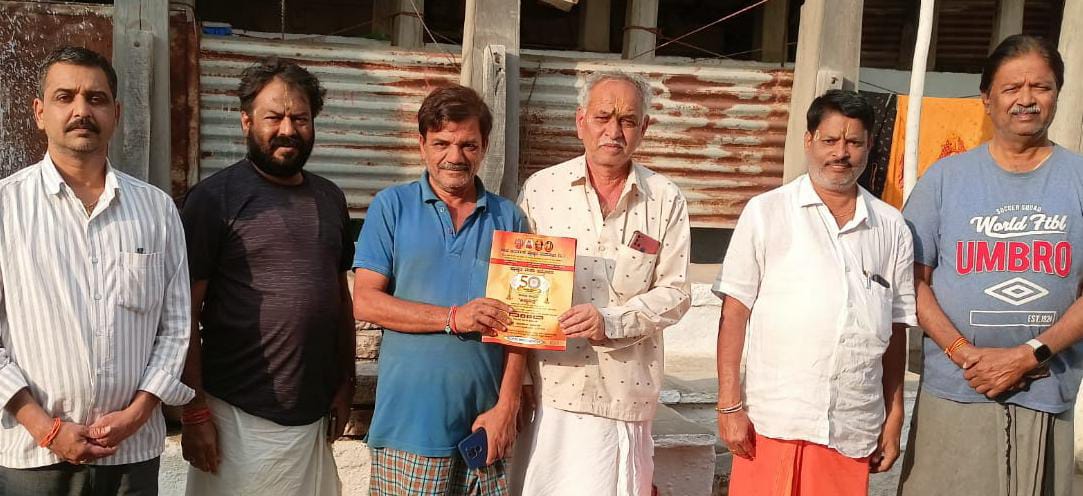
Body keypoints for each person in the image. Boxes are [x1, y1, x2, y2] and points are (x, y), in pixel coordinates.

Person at [0, 46, 192, 494]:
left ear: (116, 113)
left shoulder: (156, 210)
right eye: (65, 97)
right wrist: (45, 427)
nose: (81, 110)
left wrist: (138, 414)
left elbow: (177, 326)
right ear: (40, 112)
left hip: (130, 454)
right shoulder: (7, 207)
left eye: (96, 98)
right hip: (32, 456)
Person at [898, 34, 1083, 496]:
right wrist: (964, 352)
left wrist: (1030, 354)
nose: (1027, 99)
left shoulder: (1079, 178)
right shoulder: (945, 179)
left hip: (1046, 385)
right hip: (958, 386)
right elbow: (913, 280)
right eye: (1012, 88)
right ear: (986, 98)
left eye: (1040, 87)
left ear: (1057, 93)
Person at [714, 89, 916, 495]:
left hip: (851, 426)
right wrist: (729, 404)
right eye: (830, 140)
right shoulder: (767, 212)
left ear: (869, 147)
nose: (841, 153)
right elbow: (734, 313)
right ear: (809, 141)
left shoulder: (891, 226)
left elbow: (896, 331)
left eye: (853, 142)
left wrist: (893, 417)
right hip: (773, 423)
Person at [179, 58, 354, 495]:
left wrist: (345, 382)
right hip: (236, 420)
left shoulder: (330, 198)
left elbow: (340, 301)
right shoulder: (213, 199)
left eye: (301, 119)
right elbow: (182, 313)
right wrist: (194, 411)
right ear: (246, 121)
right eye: (274, 117)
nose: (288, 130)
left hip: (311, 421)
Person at [512, 71, 692, 496]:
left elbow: (676, 292)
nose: (614, 131)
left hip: (624, 394)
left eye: (627, 120)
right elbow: (519, 287)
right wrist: (519, 381)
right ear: (581, 122)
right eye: (603, 117)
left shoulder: (665, 197)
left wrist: (609, 321)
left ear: (644, 128)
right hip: (551, 390)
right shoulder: (542, 190)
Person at [352, 84, 527, 495]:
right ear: (422, 145)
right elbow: (366, 302)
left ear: (484, 147)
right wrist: (454, 318)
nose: (455, 156)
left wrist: (508, 406)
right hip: (409, 425)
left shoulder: (509, 217)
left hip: (484, 425)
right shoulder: (392, 206)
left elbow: (523, 326)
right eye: (442, 143)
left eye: (468, 144)